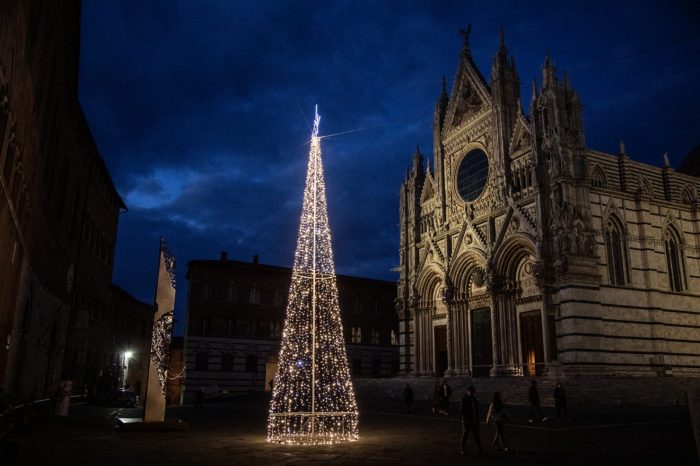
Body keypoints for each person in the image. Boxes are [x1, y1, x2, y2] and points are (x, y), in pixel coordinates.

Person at [460, 386, 484, 456]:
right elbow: (462, 411)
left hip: (473, 421)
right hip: (467, 421)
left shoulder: (473, 399)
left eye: (473, 392)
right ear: (467, 391)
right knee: (465, 435)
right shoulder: (464, 400)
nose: (472, 393)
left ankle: (480, 450)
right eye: (471, 392)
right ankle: (462, 449)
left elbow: (475, 410)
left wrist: (477, 419)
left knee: (476, 436)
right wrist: (466, 420)